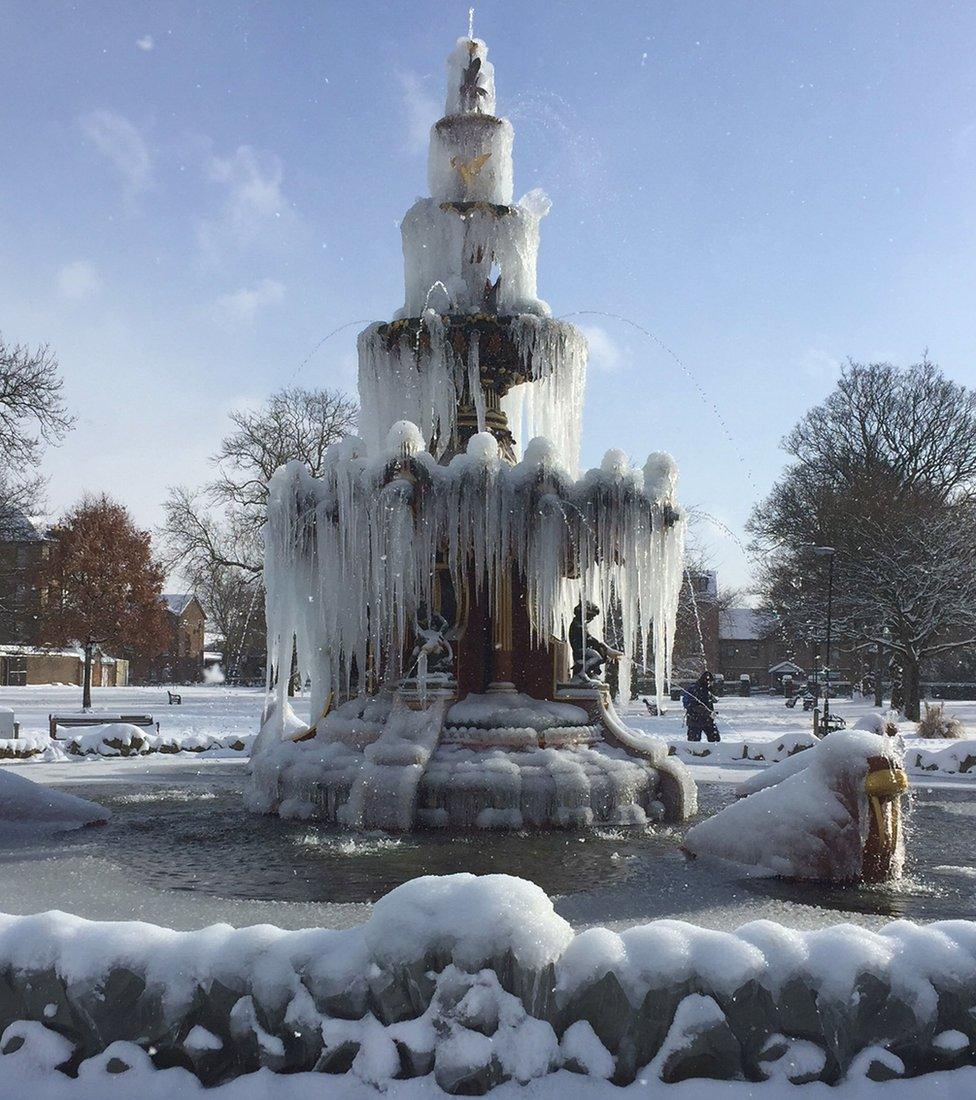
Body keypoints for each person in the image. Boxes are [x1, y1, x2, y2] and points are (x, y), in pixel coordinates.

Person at [683, 670, 719, 742]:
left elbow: (710, 701)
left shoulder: (707, 690)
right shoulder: (693, 689)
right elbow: (688, 704)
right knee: (694, 743)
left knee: (715, 739)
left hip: (708, 719)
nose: (710, 683)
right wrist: (704, 711)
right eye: (709, 681)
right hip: (694, 720)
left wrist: (711, 712)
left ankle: (714, 752)